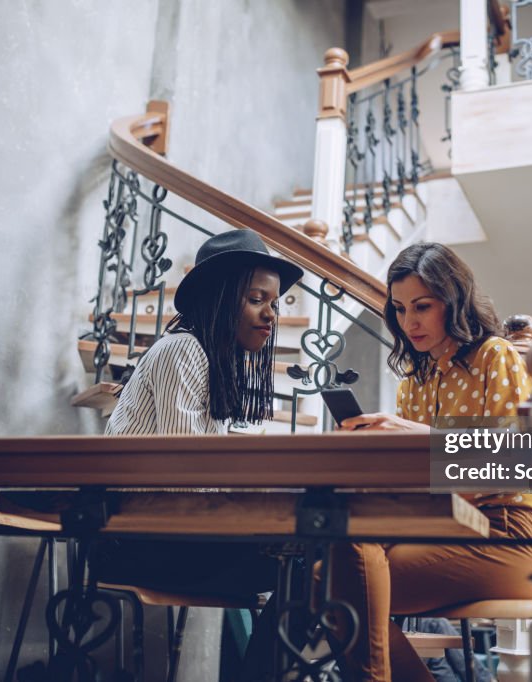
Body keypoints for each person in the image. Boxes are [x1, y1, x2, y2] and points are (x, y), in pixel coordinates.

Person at [331, 242, 532, 682]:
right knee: (329, 570)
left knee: (335, 586)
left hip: (511, 532)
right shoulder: (415, 380)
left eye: (422, 307)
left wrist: (416, 436)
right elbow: (425, 481)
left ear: (454, 301)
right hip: (442, 528)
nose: (409, 322)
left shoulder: (495, 355)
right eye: (399, 309)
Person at [95, 229, 303, 677]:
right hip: (140, 543)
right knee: (315, 562)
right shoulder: (184, 351)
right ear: (222, 297)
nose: (270, 314)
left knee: (318, 560)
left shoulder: (209, 359)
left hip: (166, 536)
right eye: (256, 299)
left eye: (275, 303)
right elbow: (184, 479)